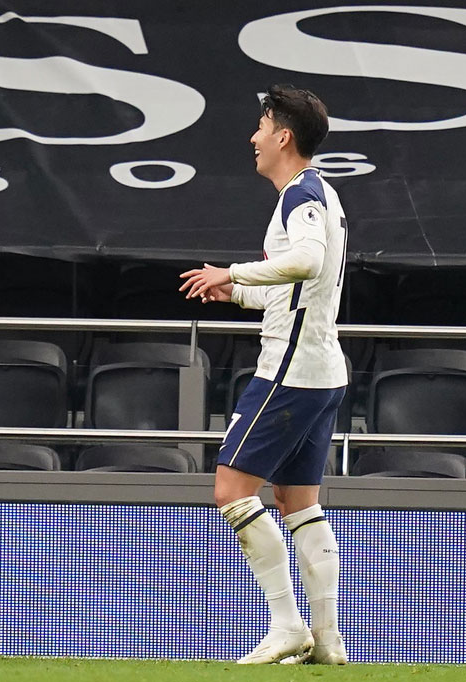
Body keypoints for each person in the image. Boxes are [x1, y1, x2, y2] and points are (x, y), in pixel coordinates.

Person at [179, 85, 348, 665]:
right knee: (298, 502)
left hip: (290, 370)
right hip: (322, 370)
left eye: (262, 126)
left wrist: (233, 270)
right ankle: (328, 640)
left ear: (284, 136)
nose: (254, 137)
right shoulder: (319, 193)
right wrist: (235, 291)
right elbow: (295, 289)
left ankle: (287, 626)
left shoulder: (301, 194)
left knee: (230, 490)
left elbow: (308, 262)